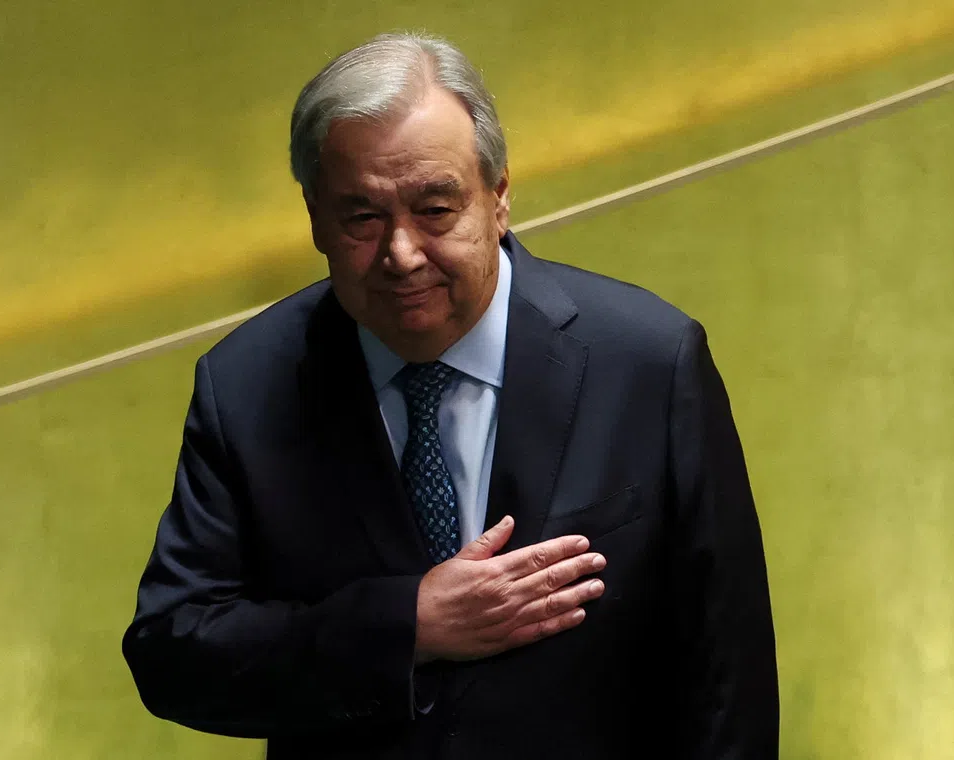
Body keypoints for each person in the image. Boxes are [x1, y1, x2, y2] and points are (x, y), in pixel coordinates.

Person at [123, 31, 779, 759]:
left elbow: (730, 678)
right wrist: (406, 626)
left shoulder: (650, 363)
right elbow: (173, 650)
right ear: (314, 218)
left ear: (498, 200)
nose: (401, 254)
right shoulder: (245, 385)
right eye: (362, 218)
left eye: (435, 210)